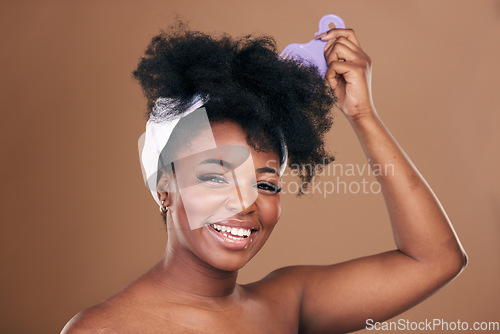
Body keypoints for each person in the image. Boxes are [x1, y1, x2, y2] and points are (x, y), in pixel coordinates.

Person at [62, 22, 467, 333]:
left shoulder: (287, 306)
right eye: (216, 177)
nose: (245, 201)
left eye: (266, 183)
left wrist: (362, 116)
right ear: (164, 186)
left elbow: (434, 259)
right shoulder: (105, 328)